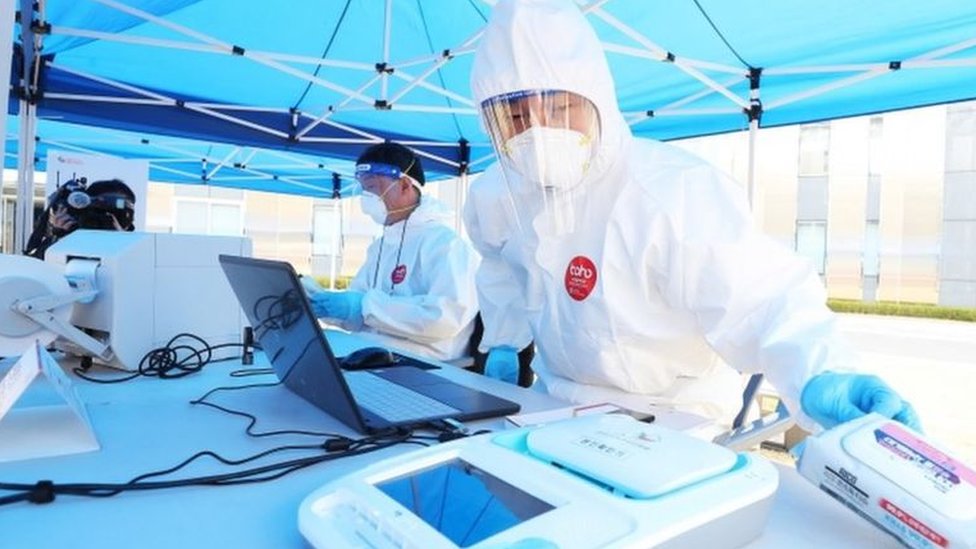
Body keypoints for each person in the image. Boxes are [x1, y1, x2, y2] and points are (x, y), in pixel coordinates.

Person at [463, 0, 921, 432]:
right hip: (552, 406)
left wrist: (822, 371)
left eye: (559, 108)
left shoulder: (670, 190)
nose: (539, 132)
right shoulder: (496, 195)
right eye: (516, 118)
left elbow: (761, 298)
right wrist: (504, 340)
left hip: (670, 419)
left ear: (597, 97)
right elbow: (500, 269)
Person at [307, 142, 481, 363]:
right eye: (363, 189)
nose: (366, 198)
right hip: (371, 356)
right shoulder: (380, 246)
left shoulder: (446, 245)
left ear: (406, 186)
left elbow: (445, 318)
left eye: (373, 188)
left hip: (421, 365)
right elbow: (358, 313)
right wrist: (323, 304)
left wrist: (365, 307)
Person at [23, 178, 136, 259]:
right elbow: (35, 269)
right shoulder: (66, 238)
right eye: (96, 212)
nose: (105, 220)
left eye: (119, 217)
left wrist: (122, 245)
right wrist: (59, 239)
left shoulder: (139, 251)